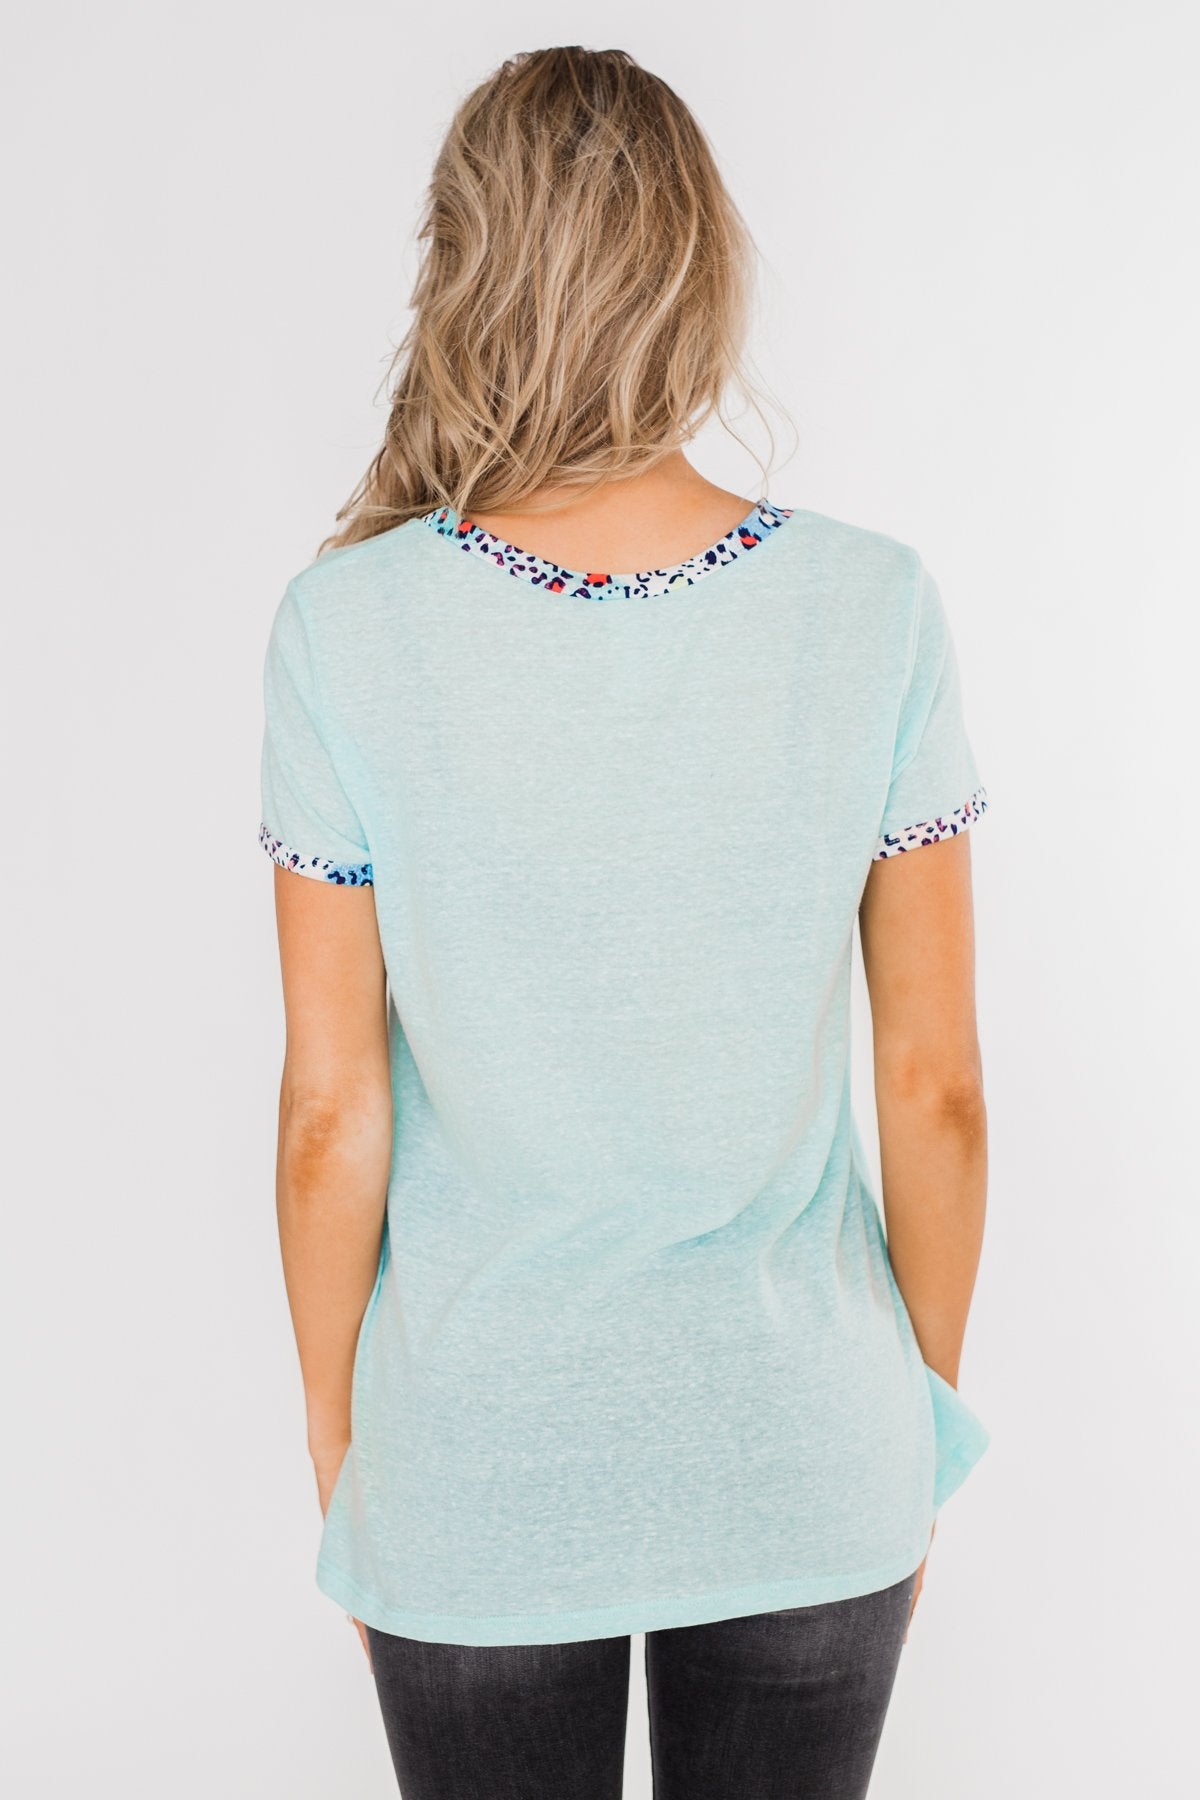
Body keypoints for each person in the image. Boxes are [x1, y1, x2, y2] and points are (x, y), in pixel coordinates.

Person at [258, 44, 991, 1800]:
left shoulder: (344, 628)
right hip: (807, 1449)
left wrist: (342, 1445)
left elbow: (331, 1113)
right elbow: (937, 1086)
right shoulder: (871, 606)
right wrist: (910, 1423)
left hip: (478, 1465)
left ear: (462, 266)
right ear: (698, 268)